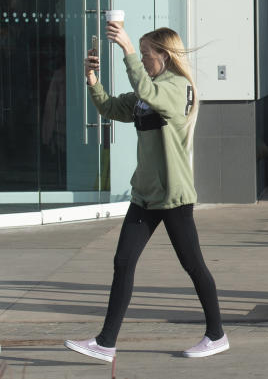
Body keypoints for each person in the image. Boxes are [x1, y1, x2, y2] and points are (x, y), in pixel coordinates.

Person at [65, 26, 227, 363]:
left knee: (193, 264)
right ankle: (106, 343)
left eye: (145, 53)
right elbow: (110, 108)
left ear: (164, 56)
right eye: (139, 53)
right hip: (145, 196)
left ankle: (216, 335)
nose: (142, 59)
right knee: (123, 262)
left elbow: (150, 93)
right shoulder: (146, 92)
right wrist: (92, 80)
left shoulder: (177, 88)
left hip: (173, 195)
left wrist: (125, 49)